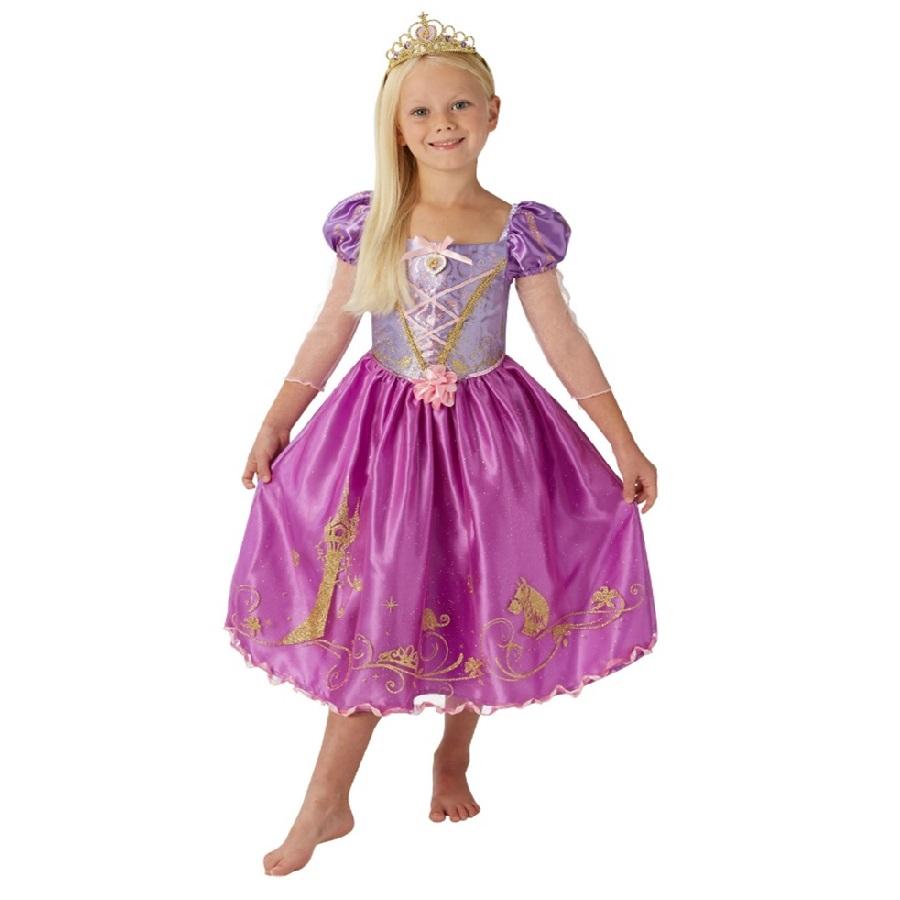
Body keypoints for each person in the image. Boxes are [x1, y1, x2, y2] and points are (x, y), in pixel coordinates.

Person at [224, 11, 659, 877]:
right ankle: (327, 799)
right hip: (379, 442)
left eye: (460, 105)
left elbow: (564, 341)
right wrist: (277, 418)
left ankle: (453, 754)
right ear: (395, 126)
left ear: (494, 113)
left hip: (492, 443)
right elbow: (330, 328)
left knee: (477, 586)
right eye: (421, 111)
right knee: (377, 604)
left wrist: (623, 442)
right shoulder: (374, 222)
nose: (443, 123)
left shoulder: (516, 228)